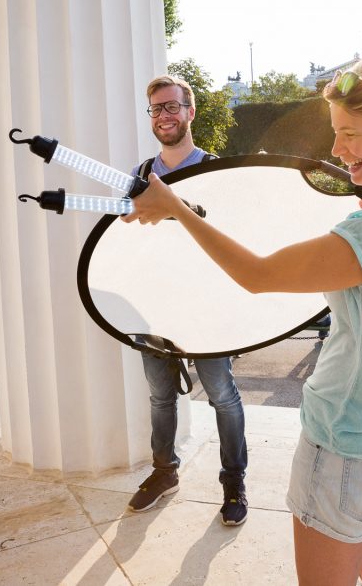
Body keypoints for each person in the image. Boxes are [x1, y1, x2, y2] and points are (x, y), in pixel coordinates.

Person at [123, 53, 362, 584]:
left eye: (350, 133)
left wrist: (174, 207)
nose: (336, 149)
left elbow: (258, 275)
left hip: (346, 449)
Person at [124, 74, 249, 527]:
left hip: (206, 308)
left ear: (190, 112)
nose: (164, 116)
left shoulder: (216, 170)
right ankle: (164, 473)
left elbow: (231, 240)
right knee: (160, 397)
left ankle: (234, 483)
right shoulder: (140, 176)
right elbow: (126, 242)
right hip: (154, 305)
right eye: (156, 109)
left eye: (172, 107)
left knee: (223, 396)